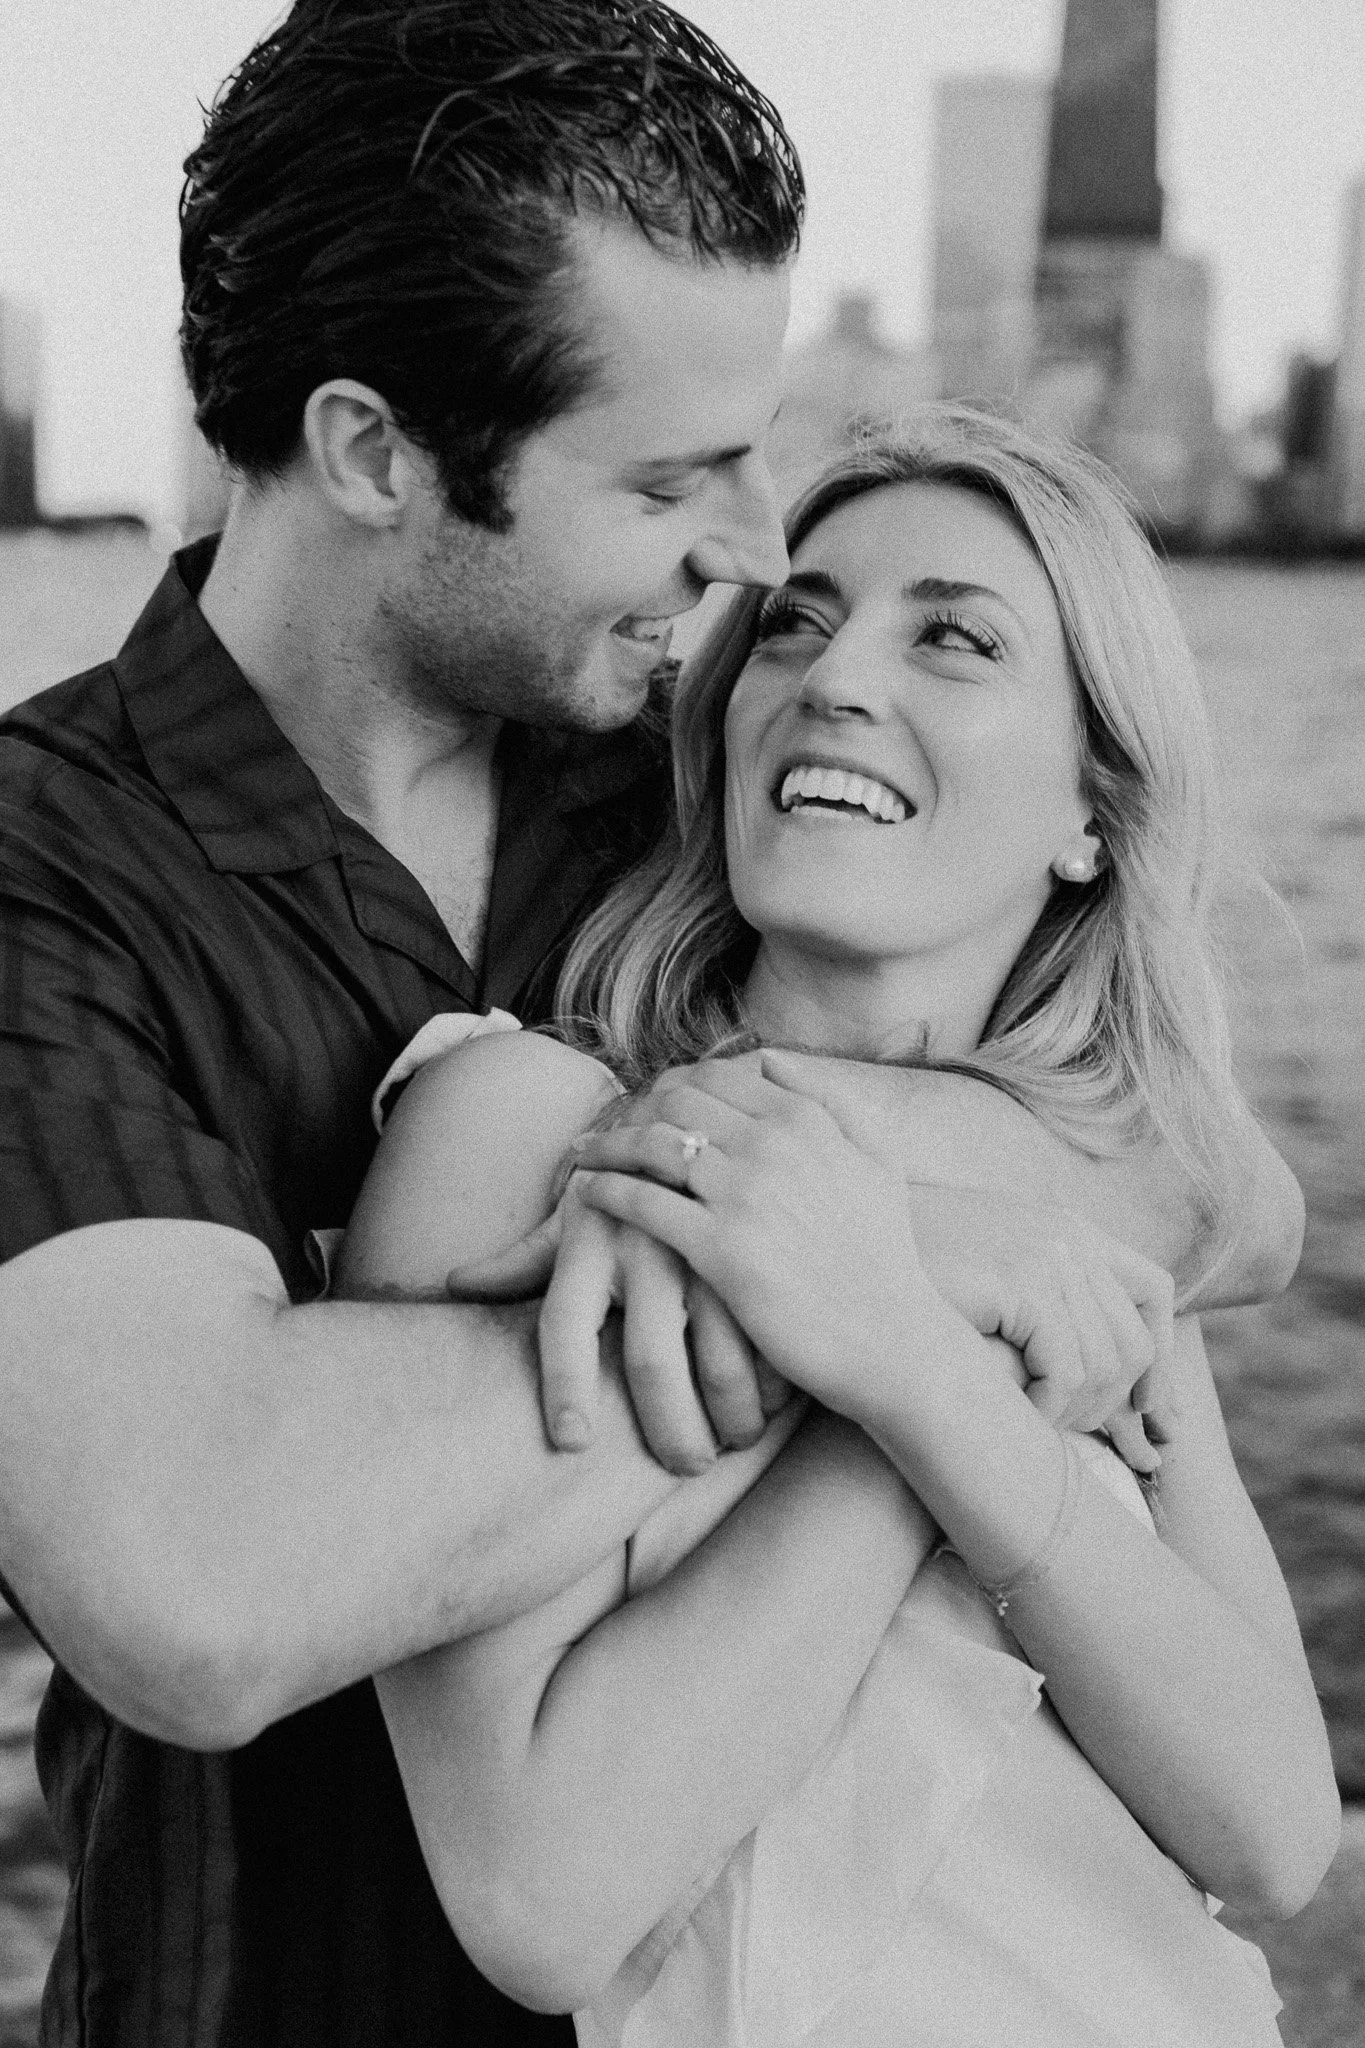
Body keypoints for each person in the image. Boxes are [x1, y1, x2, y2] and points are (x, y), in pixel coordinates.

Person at [0, 5, 1297, 2045]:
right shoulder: (44, 877)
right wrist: (871, 1278)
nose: (756, 552)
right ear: (376, 454)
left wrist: (820, 1226)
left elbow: (1191, 1168)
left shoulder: (696, 790)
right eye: (672, 473)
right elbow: (195, 1585)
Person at [338, 410, 1339, 2045]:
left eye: (954, 638)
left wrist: (925, 1364)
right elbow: (542, 1897)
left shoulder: (1071, 1205)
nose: (833, 678)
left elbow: (1274, 1832)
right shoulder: (521, 1130)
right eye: (794, 625)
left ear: (1091, 813)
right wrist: (909, 1352)